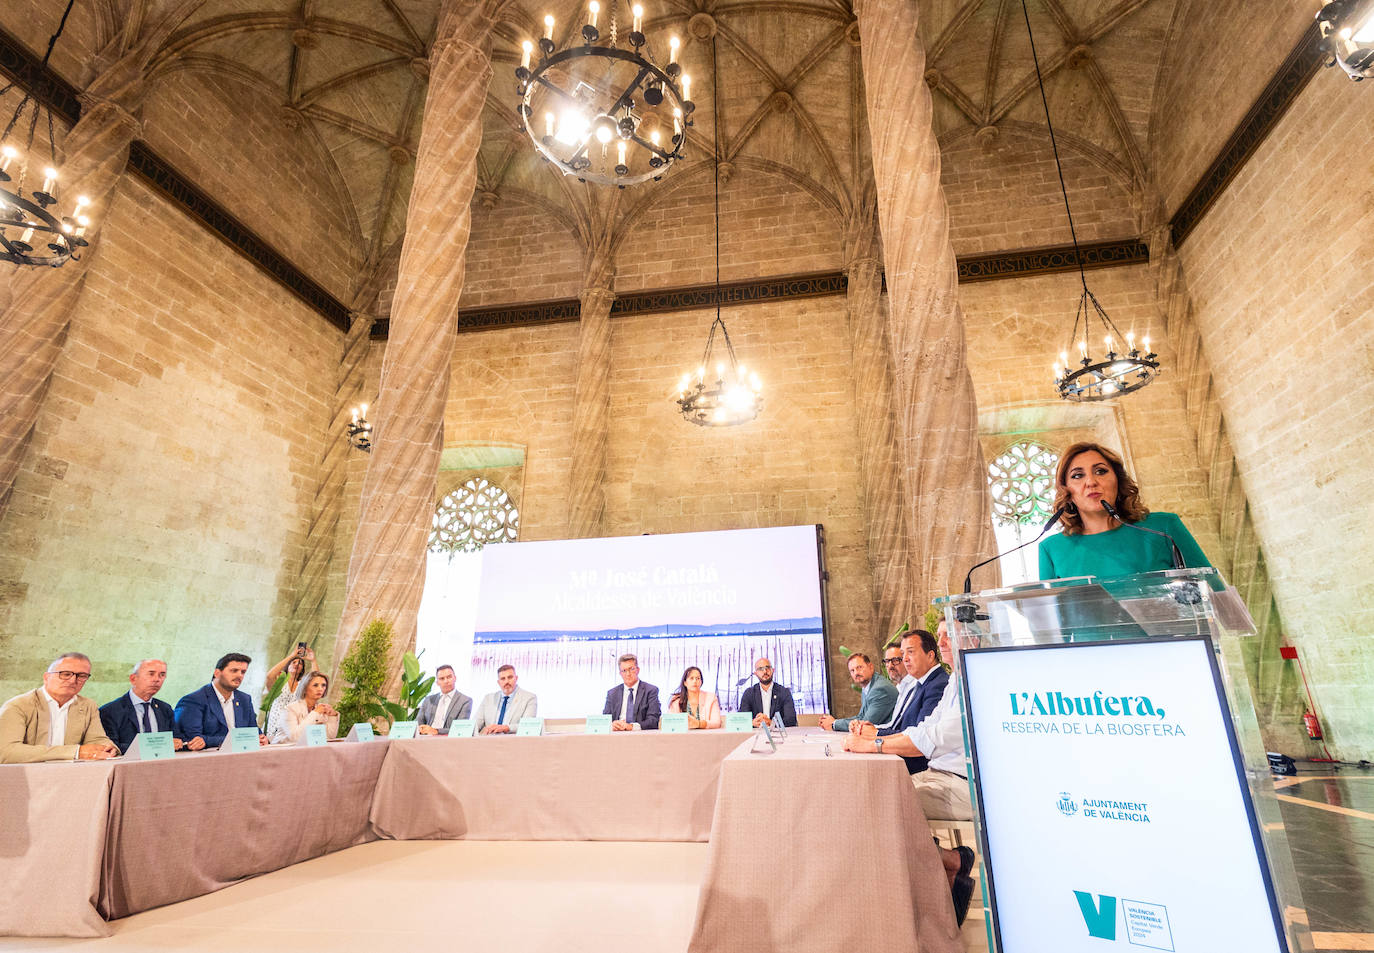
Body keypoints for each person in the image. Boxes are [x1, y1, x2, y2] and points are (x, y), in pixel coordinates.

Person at [844, 621, 977, 924]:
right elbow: (923, 728)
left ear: (972, 636)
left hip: (961, 783)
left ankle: (949, 865)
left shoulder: (972, 678)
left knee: (878, 805)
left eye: (949, 634)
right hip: (937, 772)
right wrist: (875, 739)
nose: (943, 641)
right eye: (940, 635)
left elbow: (935, 737)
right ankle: (940, 871)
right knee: (870, 795)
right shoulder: (955, 677)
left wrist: (873, 745)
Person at [1039, 441, 1211, 580]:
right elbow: (1049, 618)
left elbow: (1212, 591)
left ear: (1118, 480)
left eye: (1100, 471)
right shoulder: (1051, 549)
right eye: (1077, 475)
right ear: (1066, 490)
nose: (1091, 482)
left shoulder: (1163, 528)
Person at [848, 630, 948, 772]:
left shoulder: (937, 684)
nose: (905, 659)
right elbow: (905, 729)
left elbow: (919, 739)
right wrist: (874, 730)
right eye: (903, 654)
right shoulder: (922, 682)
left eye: (910, 652)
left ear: (930, 655)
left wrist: (874, 737)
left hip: (920, 766)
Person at [0, 652, 119, 763]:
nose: (73, 680)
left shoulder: (88, 706)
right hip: (26, 778)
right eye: (65, 674)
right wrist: (76, 752)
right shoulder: (18, 705)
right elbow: (6, 752)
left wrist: (109, 749)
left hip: (71, 776)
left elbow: (97, 740)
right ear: (46, 677)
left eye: (81, 676)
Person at [174, 653, 265, 749]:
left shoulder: (245, 699)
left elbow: (253, 732)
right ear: (217, 673)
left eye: (243, 672)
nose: (239, 675)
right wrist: (238, 740)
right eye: (234, 671)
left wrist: (262, 738)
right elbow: (193, 739)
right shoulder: (194, 700)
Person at [98, 658, 184, 753]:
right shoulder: (110, 711)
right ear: (133, 679)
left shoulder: (165, 708)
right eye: (151, 674)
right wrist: (157, 746)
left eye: (162, 675)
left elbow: (177, 738)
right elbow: (112, 746)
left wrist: (180, 742)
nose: (157, 679)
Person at [819, 652, 896, 732]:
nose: (856, 673)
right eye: (852, 670)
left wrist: (834, 724)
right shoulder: (868, 686)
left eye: (859, 667)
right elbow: (861, 716)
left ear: (871, 667)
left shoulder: (880, 689)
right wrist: (834, 722)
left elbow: (865, 724)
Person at [263, 644, 315, 742]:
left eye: (300, 663)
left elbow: (316, 680)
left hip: (292, 727)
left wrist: (313, 660)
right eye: (293, 662)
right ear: (287, 666)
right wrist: (292, 656)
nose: (296, 664)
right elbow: (269, 676)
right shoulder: (279, 682)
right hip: (273, 727)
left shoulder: (302, 686)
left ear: (302, 669)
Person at [472, 664, 538, 734]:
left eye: (510, 677)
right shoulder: (488, 698)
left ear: (516, 678)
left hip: (514, 741)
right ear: (498, 682)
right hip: (488, 741)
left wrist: (506, 728)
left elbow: (527, 726)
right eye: (503, 679)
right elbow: (475, 723)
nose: (506, 681)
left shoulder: (529, 698)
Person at [603, 654, 660, 731]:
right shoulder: (612, 693)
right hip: (617, 734)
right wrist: (613, 725)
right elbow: (605, 720)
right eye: (624, 671)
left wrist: (631, 726)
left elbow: (653, 720)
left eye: (631, 669)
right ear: (620, 673)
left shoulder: (650, 690)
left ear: (638, 670)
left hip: (641, 735)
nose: (628, 674)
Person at [281, 671, 339, 743]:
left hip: (309, 749)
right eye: (315, 685)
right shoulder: (290, 709)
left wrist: (332, 716)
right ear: (305, 688)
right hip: (284, 750)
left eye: (323, 685)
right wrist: (315, 713)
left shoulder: (322, 708)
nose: (320, 689)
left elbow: (330, 737)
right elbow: (295, 738)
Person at [738, 657, 798, 728]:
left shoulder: (784, 692)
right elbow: (742, 720)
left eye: (767, 668)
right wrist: (752, 723)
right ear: (755, 673)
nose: (765, 671)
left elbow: (791, 720)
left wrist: (770, 723)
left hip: (778, 735)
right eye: (760, 669)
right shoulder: (749, 693)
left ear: (773, 670)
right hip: (755, 734)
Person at [417, 664, 472, 735]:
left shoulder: (465, 701)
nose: (446, 681)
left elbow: (460, 729)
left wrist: (436, 731)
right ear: (437, 682)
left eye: (449, 677)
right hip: (426, 737)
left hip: (449, 739)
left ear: (455, 678)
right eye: (442, 678)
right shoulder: (429, 700)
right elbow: (418, 722)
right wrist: (422, 729)